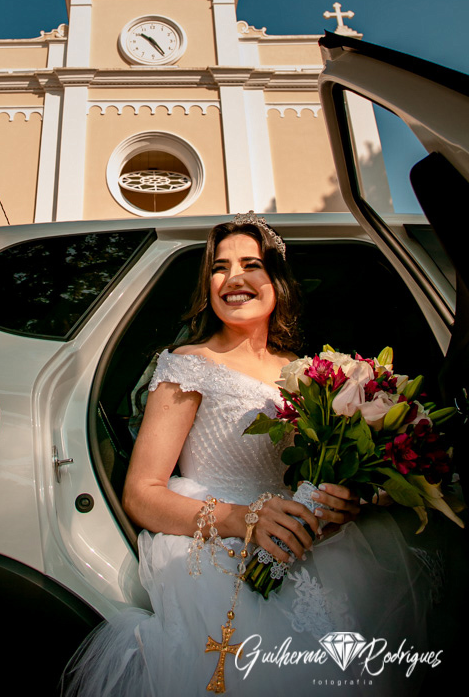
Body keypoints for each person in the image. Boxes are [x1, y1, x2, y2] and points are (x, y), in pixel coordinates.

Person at [64, 216, 437, 697]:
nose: (234, 278)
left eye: (251, 264)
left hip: (312, 548)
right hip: (220, 546)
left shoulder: (309, 373)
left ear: (276, 281)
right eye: (220, 268)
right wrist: (247, 519)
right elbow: (141, 494)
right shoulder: (188, 365)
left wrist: (345, 503)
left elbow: (315, 471)